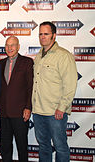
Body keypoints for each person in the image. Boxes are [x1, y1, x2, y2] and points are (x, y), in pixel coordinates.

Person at [32, 21, 78, 162]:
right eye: (40, 34)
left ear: (54, 35)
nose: (43, 37)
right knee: (43, 146)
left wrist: (62, 107)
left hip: (55, 112)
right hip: (38, 111)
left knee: (60, 147)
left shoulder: (64, 56)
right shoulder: (39, 56)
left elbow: (70, 84)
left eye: (46, 34)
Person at [0, 36, 33, 162]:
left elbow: (30, 87)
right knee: (5, 145)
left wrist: (28, 107)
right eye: (7, 45)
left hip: (20, 112)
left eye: (12, 45)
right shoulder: (0, 64)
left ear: (18, 46)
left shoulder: (27, 62)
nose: (9, 48)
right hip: (4, 111)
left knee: (22, 145)